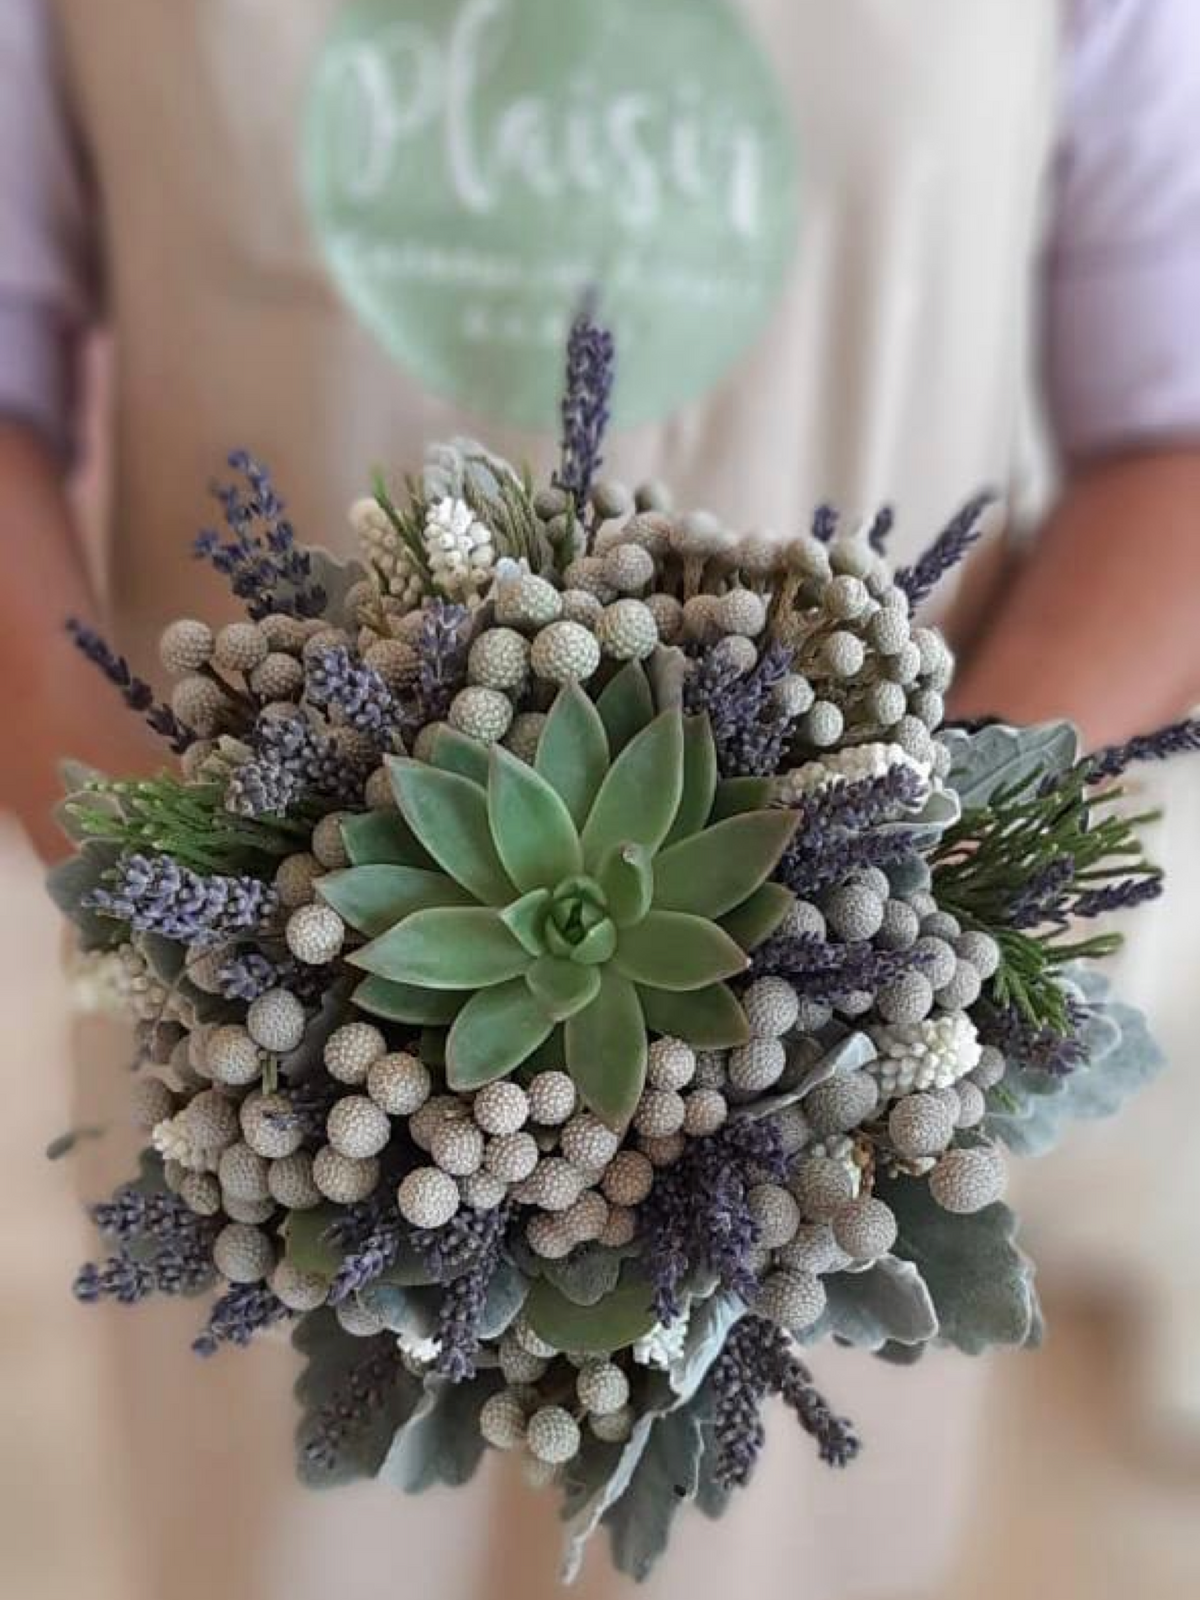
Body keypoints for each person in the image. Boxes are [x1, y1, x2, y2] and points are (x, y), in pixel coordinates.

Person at [1, 3, 1198, 1598]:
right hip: (272, 1067)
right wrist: (197, 930)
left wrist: (900, 915)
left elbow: (1170, 428)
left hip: (829, 1105)